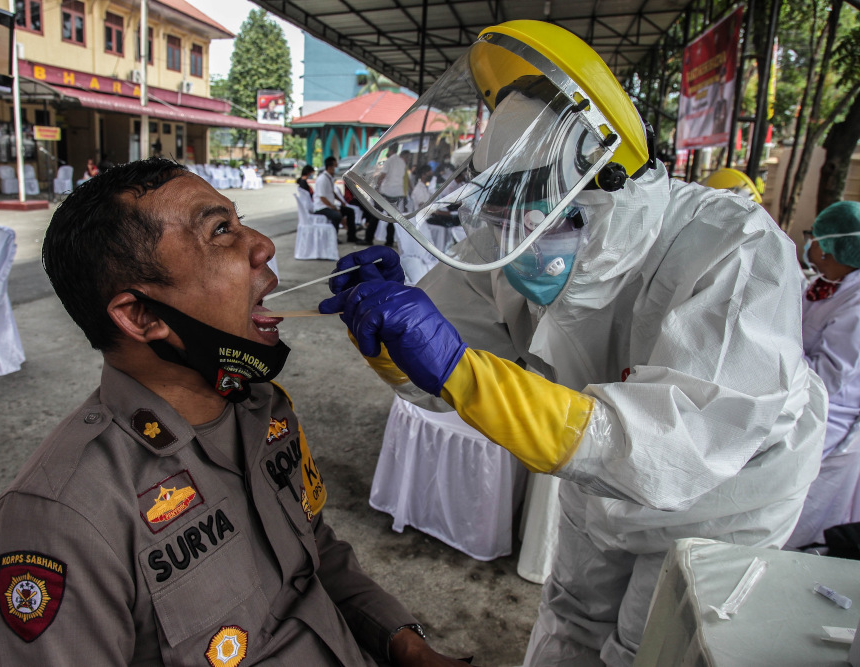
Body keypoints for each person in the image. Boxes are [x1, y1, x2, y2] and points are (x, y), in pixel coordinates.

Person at [320, 20, 826, 666]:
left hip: (725, 497)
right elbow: (442, 364)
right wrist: (390, 337)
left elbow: (679, 444)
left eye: (537, 202)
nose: (515, 227)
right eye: (502, 201)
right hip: (593, 473)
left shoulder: (734, 247)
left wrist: (468, 375)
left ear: (606, 182)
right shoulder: (509, 240)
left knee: (656, 639)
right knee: (572, 611)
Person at [0, 158, 466, 666]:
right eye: (219, 231)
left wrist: (407, 645)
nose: (263, 245)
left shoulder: (265, 409)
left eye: (237, 218)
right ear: (141, 315)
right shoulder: (60, 521)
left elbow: (312, 546)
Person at [786, 201, 860, 549]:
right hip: (798, 406)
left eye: (814, 237)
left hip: (829, 426)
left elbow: (830, 378)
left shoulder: (857, 305)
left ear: (834, 246)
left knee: (802, 518)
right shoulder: (823, 283)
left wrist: (775, 352)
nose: (809, 244)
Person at [313, 155, 357, 243]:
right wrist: (334, 208)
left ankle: (351, 236)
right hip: (321, 207)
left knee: (350, 211)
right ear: (330, 167)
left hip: (329, 206)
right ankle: (333, 238)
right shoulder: (322, 179)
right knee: (337, 216)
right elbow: (322, 197)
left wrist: (341, 202)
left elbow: (332, 192)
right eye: (335, 166)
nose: (337, 168)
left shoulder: (329, 178)